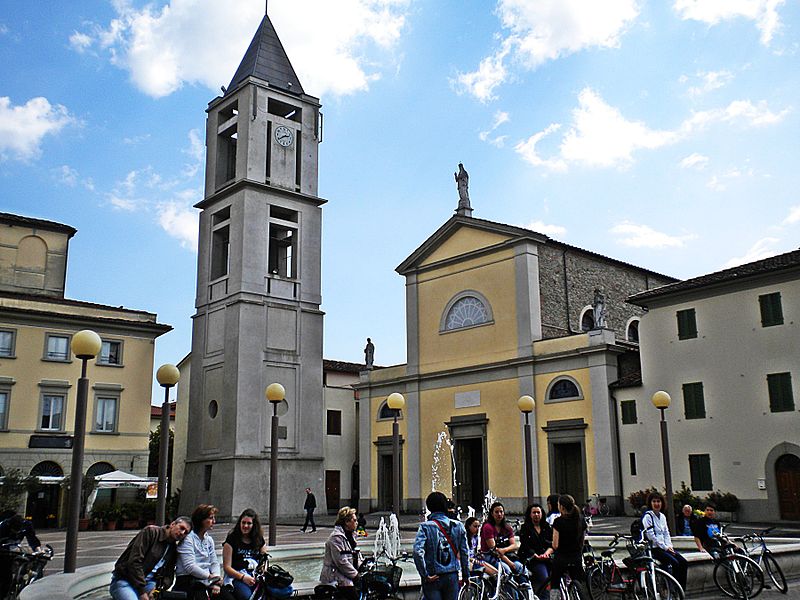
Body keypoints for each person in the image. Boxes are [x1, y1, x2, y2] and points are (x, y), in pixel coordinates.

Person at [109, 517, 191, 600]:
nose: (182, 533)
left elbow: (169, 576)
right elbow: (134, 562)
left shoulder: (173, 548)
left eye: (186, 532)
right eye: (181, 528)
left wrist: (157, 590)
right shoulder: (150, 532)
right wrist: (142, 592)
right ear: (173, 524)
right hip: (126, 580)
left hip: (149, 584)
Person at [413, 491, 470, 600]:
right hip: (452, 575)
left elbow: (417, 552)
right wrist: (466, 575)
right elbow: (464, 553)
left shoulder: (425, 527)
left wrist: (424, 575)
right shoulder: (458, 526)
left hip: (433, 576)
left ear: (429, 507)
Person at [175, 504, 233, 600]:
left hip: (208, 579)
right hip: (189, 580)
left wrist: (216, 579)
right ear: (201, 520)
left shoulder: (209, 539)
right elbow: (190, 567)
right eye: (210, 518)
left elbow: (214, 562)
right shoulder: (188, 539)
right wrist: (210, 578)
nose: (214, 521)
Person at [641, 492, 688, 590]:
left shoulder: (662, 516)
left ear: (662, 503)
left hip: (665, 547)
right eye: (654, 501)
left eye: (658, 501)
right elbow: (651, 536)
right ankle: (673, 588)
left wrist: (669, 546)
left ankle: (681, 588)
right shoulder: (648, 517)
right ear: (650, 503)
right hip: (655, 549)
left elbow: (666, 533)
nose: (656, 504)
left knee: (683, 562)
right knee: (675, 563)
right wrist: (665, 547)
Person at [222, 509, 267, 600]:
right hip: (237, 577)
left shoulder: (259, 540)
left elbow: (264, 560)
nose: (245, 526)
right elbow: (227, 567)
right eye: (243, 522)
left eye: (249, 523)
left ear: (254, 525)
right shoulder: (231, 540)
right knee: (246, 596)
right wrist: (243, 577)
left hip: (255, 577)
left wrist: (262, 571)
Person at [320, 507, 361, 600]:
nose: (357, 522)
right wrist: (355, 575)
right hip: (335, 577)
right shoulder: (336, 538)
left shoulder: (350, 535)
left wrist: (364, 565)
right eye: (354, 520)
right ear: (347, 522)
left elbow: (355, 556)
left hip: (345, 575)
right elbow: (341, 561)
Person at [0, 513, 42, 600]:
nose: (15, 533)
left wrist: (38, 551)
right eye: (13, 531)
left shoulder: (27, 525)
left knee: (31, 562)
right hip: (4, 549)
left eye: (18, 531)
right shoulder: (3, 526)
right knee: (5, 574)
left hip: (15, 549)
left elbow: (32, 539)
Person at [550, 495, 586, 594]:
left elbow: (555, 545)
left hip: (562, 558)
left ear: (561, 507)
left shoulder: (558, 522)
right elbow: (582, 541)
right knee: (577, 581)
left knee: (555, 583)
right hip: (576, 557)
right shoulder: (580, 520)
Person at [480, 501, 522, 574]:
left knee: (520, 568)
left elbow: (514, 545)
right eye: (496, 512)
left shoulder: (507, 527)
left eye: (501, 512)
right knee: (506, 570)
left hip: (506, 555)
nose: (499, 514)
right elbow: (494, 550)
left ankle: (525, 585)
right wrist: (509, 563)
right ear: (492, 514)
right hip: (490, 556)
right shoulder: (488, 527)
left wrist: (504, 550)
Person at [518, 503, 552, 591]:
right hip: (531, 559)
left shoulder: (547, 527)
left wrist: (546, 554)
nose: (536, 515)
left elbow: (552, 544)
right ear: (530, 514)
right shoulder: (525, 528)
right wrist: (535, 555)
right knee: (544, 578)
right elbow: (525, 545)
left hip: (547, 558)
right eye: (534, 513)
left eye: (538, 512)